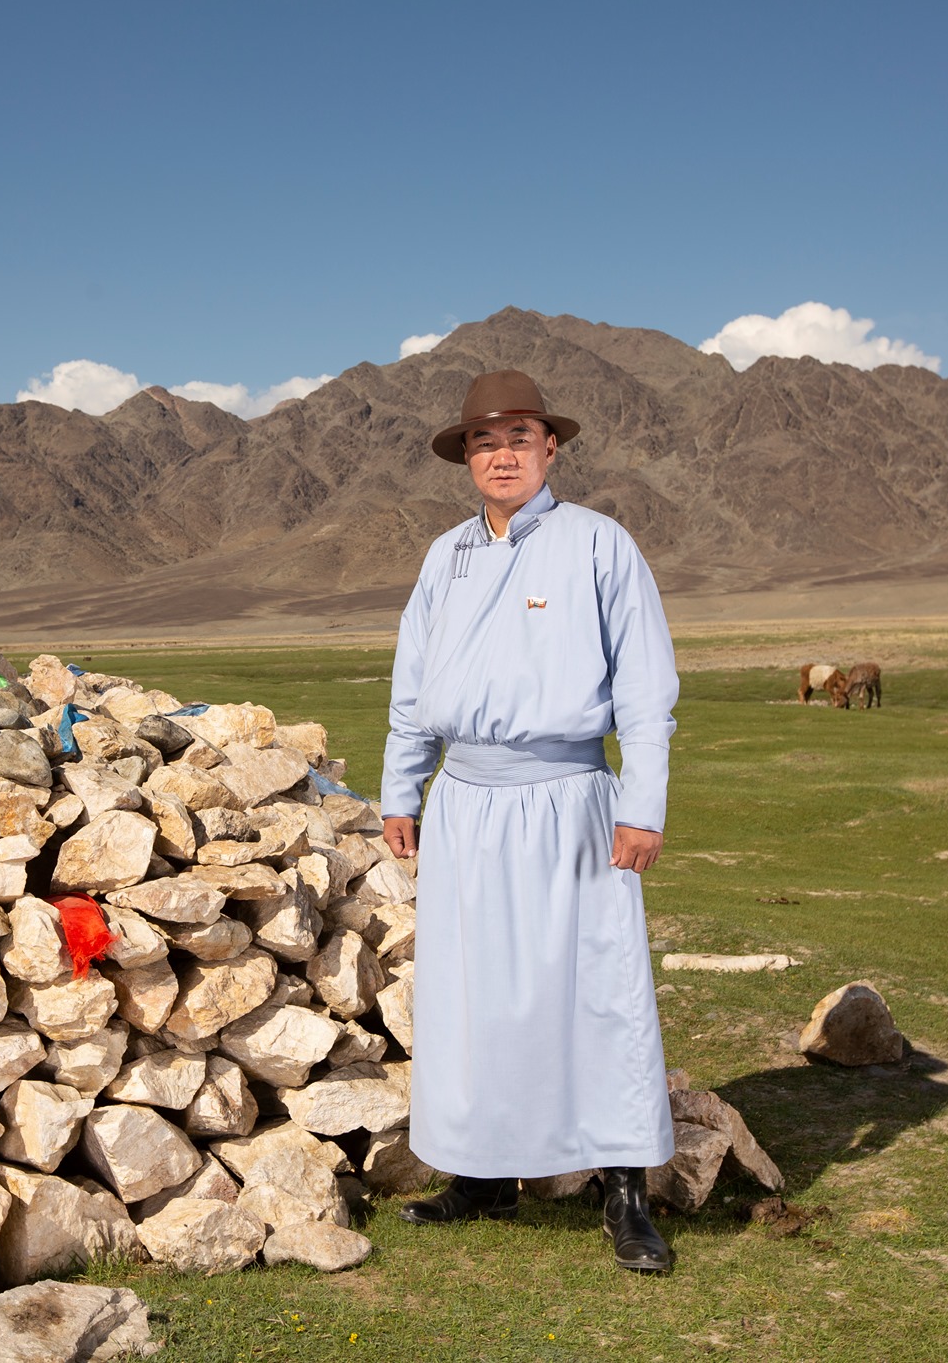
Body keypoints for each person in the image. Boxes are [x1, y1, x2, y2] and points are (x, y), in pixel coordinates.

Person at [381, 368, 680, 1274]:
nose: (500, 453)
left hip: (572, 802)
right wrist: (403, 786)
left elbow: (646, 689)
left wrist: (642, 802)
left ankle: (623, 1187)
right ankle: (480, 1174)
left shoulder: (599, 544)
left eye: (518, 437)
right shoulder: (445, 557)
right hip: (465, 800)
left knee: (596, 984)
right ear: (465, 456)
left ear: (551, 447)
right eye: (483, 440)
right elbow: (413, 686)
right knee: (472, 991)